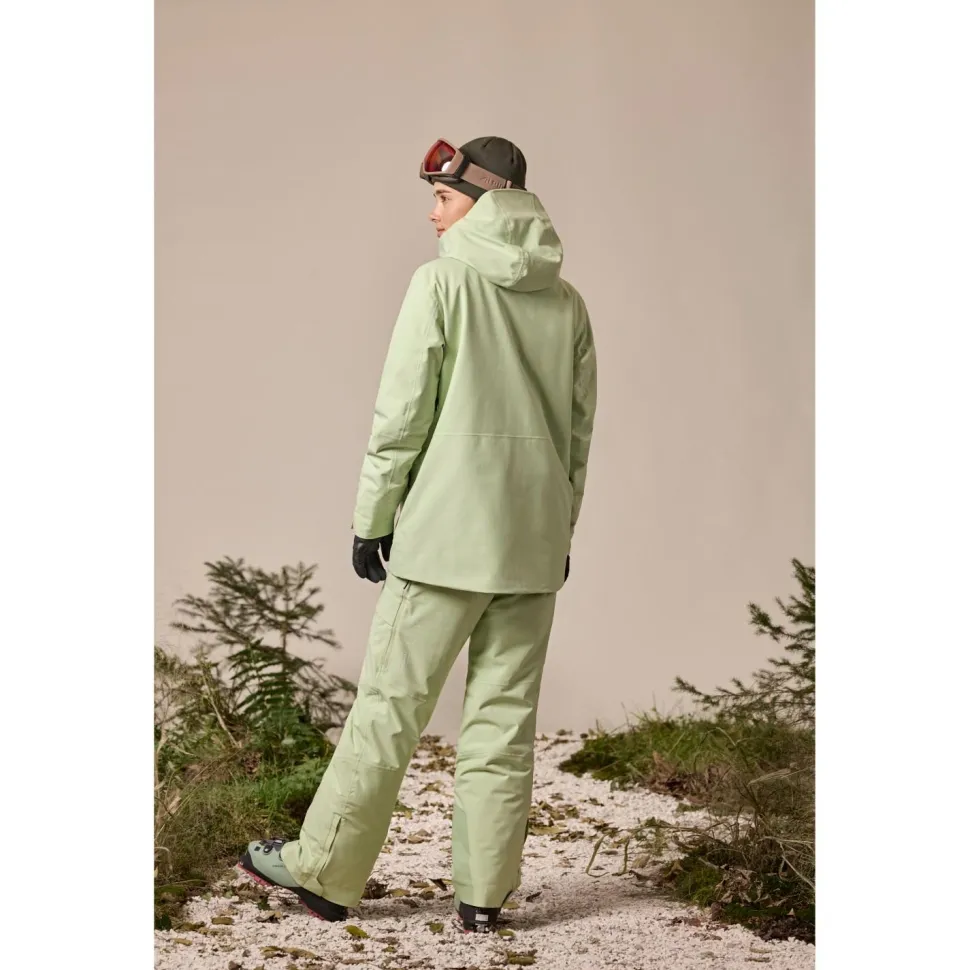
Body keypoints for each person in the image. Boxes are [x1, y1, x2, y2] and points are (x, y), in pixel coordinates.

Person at [237, 136, 598, 933]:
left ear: (484, 197)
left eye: (443, 197)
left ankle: (325, 873)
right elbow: (577, 436)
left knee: (388, 711)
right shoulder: (568, 302)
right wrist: (560, 530)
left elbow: (401, 416)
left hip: (442, 537)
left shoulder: (440, 282)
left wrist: (372, 520)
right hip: (533, 543)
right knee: (505, 721)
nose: (432, 214)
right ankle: (485, 896)